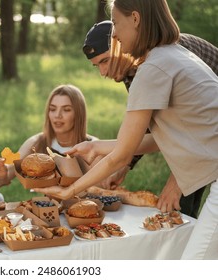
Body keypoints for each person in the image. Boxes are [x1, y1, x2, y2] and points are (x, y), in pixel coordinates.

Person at [34, 0, 218, 259]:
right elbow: (157, 139)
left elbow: (121, 155)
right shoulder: (171, 54)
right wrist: (98, 146)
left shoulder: (153, 68)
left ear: (135, 19)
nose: (116, 34)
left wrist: (69, 191)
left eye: (117, 24)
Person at [82, 20, 218, 218]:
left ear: (121, 45)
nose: (103, 72)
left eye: (105, 60)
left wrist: (177, 182)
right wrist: (125, 165)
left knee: (179, 205)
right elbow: (147, 124)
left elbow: (193, 130)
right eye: (97, 66)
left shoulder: (169, 56)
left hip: (207, 132)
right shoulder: (132, 70)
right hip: (201, 136)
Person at [0, 84, 102, 189]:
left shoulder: (94, 147)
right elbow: (10, 172)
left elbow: (103, 190)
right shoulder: (36, 142)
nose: (57, 115)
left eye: (66, 110)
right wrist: (2, 172)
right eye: (52, 109)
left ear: (79, 114)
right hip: (48, 210)